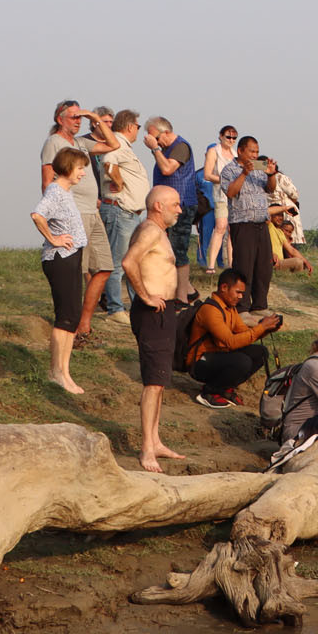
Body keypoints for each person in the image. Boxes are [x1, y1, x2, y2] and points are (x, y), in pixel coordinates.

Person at [122, 186, 190, 471]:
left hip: (164, 311)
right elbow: (128, 262)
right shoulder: (150, 230)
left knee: (159, 380)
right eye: (175, 204)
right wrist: (145, 296)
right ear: (159, 206)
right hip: (153, 313)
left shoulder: (156, 231)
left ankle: (155, 440)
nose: (180, 210)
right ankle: (147, 449)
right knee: (153, 383)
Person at [40, 102, 116, 344]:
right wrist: (56, 218)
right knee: (76, 271)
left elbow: (113, 144)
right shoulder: (54, 142)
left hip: (93, 212)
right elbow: (47, 181)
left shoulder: (81, 143)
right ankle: (71, 328)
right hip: (74, 213)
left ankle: (83, 324)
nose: (78, 121)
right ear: (60, 119)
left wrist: (95, 117)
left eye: (80, 117)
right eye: (73, 117)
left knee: (104, 267)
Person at [31, 147, 91, 394]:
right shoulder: (55, 191)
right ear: (68, 167)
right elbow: (37, 215)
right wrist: (53, 238)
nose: (83, 173)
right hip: (59, 258)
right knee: (65, 316)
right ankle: (56, 373)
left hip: (72, 256)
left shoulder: (65, 192)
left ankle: (65, 372)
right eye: (80, 168)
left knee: (73, 316)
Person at [183, 269, 283, 408]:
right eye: (238, 292)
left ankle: (225, 387)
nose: (241, 296)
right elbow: (230, 342)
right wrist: (261, 328)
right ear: (224, 287)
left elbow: (244, 334)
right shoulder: (210, 310)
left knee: (260, 352)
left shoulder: (230, 308)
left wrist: (266, 329)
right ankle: (210, 392)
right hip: (200, 363)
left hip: (218, 355)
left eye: (242, 293)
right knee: (242, 361)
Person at [95, 110, 151, 327]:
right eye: (137, 126)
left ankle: (135, 305)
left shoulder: (123, 145)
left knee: (131, 262)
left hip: (128, 213)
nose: (138, 130)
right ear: (129, 126)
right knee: (117, 263)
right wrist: (118, 182)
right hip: (120, 211)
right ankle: (115, 308)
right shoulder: (117, 143)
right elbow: (109, 163)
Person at [220, 136, 278, 312]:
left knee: (264, 268)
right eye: (251, 151)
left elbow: (271, 189)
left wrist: (271, 174)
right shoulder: (229, 170)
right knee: (244, 267)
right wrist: (244, 173)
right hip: (242, 224)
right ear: (240, 151)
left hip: (261, 223)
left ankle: (260, 305)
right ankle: (242, 307)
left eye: (257, 152)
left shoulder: (259, 169)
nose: (255, 155)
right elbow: (230, 192)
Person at [142, 116, 197, 301]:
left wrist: (155, 149)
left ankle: (181, 299)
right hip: (165, 208)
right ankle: (188, 291)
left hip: (180, 207)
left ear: (166, 132)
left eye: (156, 138)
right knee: (168, 250)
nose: (155, 142)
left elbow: (167, 169)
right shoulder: (165, 149)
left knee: (177, 251)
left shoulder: (180, 147)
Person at [200, 126, 238, 273]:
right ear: (221, 136)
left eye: (234, 138)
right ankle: (211, 265)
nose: (231, 140)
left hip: (235, 196)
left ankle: (232, 265)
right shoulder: (214, 151)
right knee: (220, 226)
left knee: (232, 229)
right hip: (220, 195)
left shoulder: (235, 153)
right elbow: (207, 175)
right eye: (228, 137)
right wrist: (225, 180)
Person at [267, 204, 313, 273]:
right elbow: (266, 212)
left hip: (280, 262)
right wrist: (284, 208)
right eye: (277, 215)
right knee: (298, 262)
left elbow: (292, 250)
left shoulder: (280, 232)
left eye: (282, 215)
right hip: (270, 262)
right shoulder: (268, 226)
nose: (280, 218)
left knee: (302, 263)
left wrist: (306, 262)